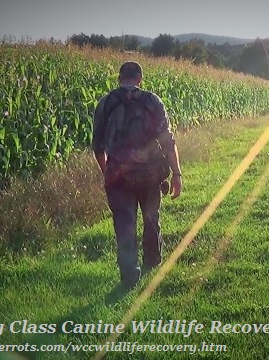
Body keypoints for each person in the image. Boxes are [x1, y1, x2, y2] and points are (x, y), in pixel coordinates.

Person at [92, 61, 183, 288]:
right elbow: (168, 142)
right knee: (151, 219)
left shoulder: (106, 103)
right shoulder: (153, 101)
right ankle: (153, 261)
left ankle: (129, 274)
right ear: (140, 79)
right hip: (151, 175)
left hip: (118, 177)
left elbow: (98, 147)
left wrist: (107, 173)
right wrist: (176, 174)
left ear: (119, 78)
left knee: (124, 224)